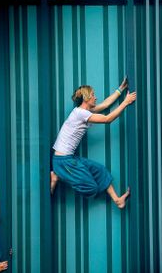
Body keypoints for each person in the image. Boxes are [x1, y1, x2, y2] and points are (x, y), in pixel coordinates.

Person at [50, 77, 136, 208]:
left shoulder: (83, 112)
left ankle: (118, 200)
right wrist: (126, 102)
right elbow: (107, 119)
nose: (95, 98)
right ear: (86, 98)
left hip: (69, 158)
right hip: (63, 161)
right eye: (93, 95)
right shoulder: (80, 114)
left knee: (100, 171)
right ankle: (57, 176)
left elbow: (106, 104)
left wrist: (121, 89)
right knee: (92, 187)